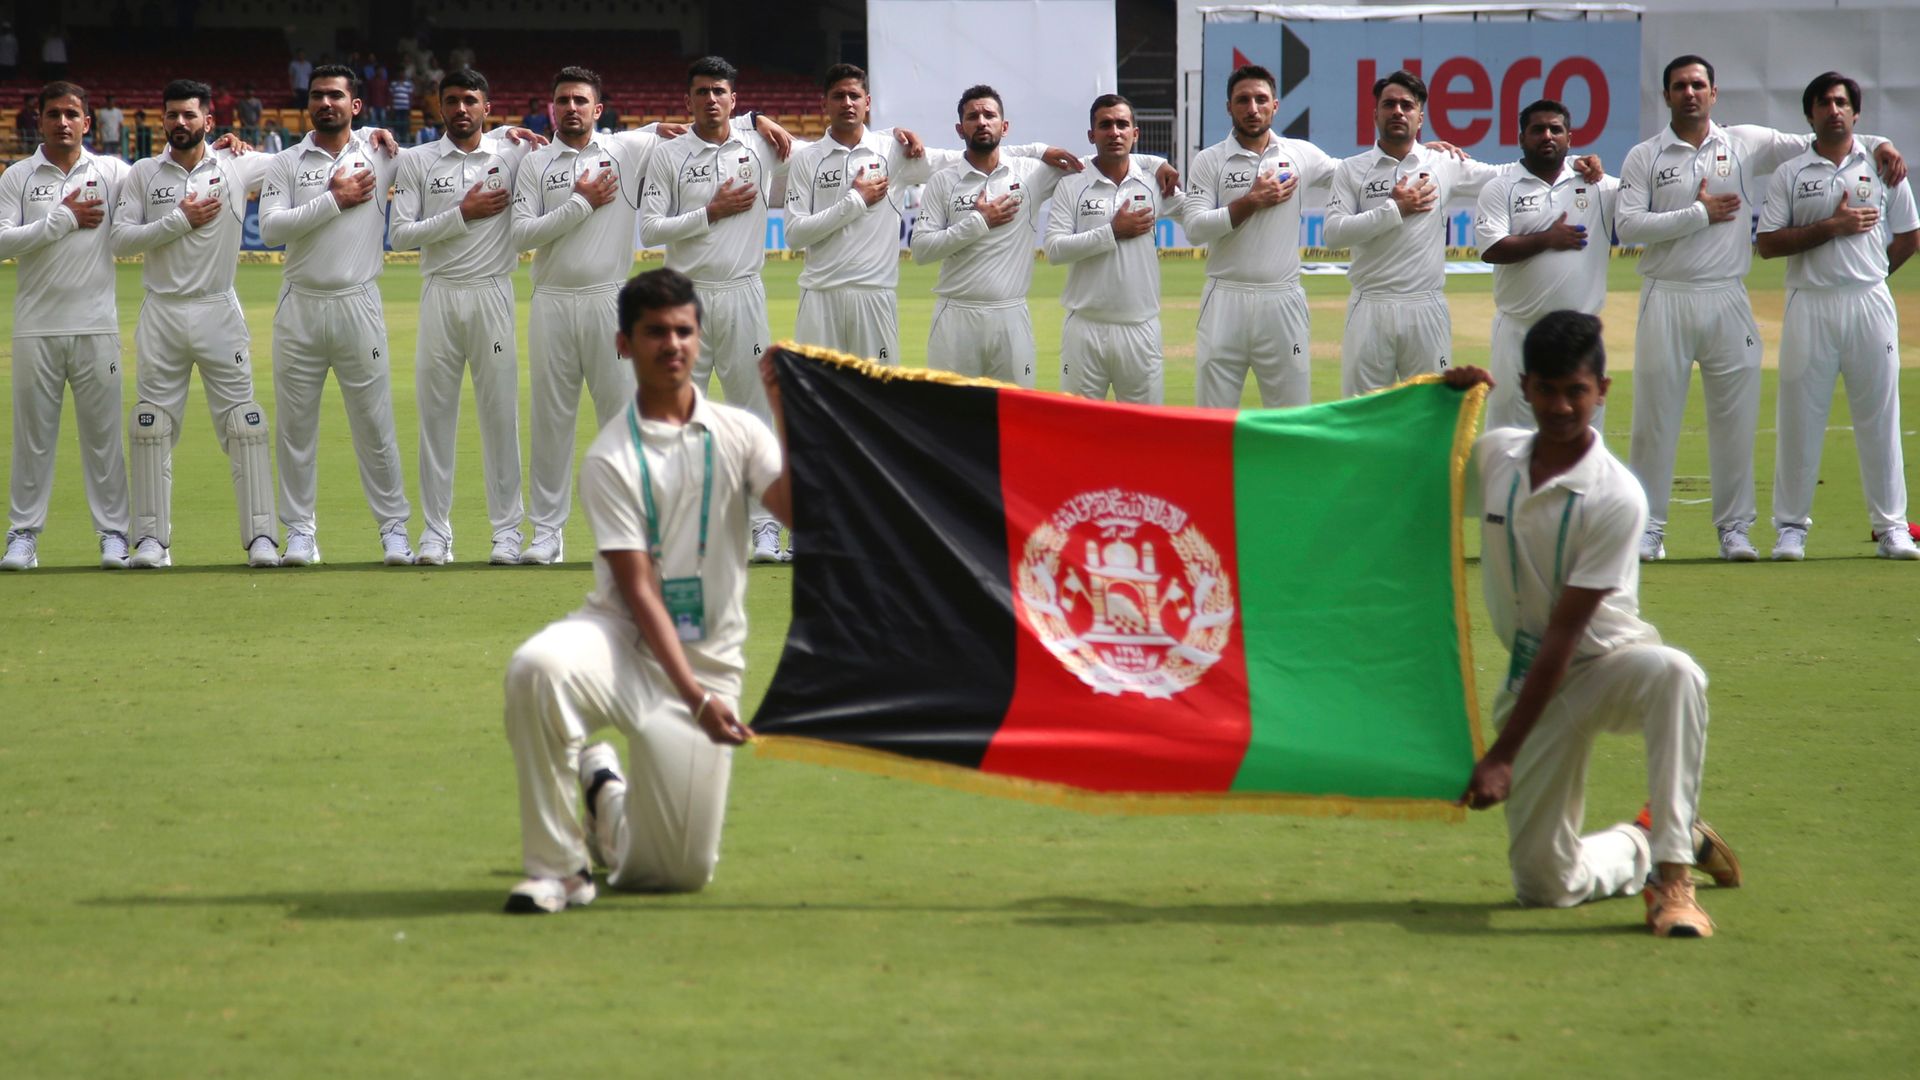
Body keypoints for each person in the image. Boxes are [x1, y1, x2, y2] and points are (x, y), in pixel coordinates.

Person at [500, 267, 791, 914]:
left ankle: (604, 793)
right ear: (624, 344)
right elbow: (637, 591)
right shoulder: (611, 458)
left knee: (674, 874)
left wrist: (781, 407)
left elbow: (803, 512)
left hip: (708, 657)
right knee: (537, 668)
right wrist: (695, 700)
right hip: (622, 644)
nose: (673, 346)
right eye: (655, 332)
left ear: (700, 336)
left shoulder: (740, 432)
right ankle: (558, 870)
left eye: (684, 331)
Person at [1446, 311, 1742, 938]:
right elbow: (1412, 468)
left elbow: (1565, 631)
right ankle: (1653, 839)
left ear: (1601, 390)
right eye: (1547, 389)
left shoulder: (1617, 496)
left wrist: (1502, 755)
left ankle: (1674, 880)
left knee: (1676, 675)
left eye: (1576, 390)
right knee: (1544, 886)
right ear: (1523, 387)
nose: (1560, 406)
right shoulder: (1497, 457)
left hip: (1606, 664)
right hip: (1533, 684)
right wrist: (1438, 403)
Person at [1616, 54, 1904, 563]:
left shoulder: (1744, 141)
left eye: (1698, 85)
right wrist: (1696, 214)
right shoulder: (1645, 155)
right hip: (1666, 293)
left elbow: (1824, 138)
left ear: (1714, 93)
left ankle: (1735, 529)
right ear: (1665, 96)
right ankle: (1649, 530)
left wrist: (1880, 143)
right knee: (1654, 421)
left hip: (1728, 294)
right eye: (1679, 86)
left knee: (1735, 420)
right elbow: (1630, 226)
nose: (1690, 93)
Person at [110, 78, 280, 569]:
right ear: (162, 120)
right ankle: (151, 542)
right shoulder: (143, 173)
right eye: (171, 115)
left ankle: (263, 538)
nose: (179, 123)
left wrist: (373, 137)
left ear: (209, 121)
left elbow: (309, 153)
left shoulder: (235, 164)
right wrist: (178, 220)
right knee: (151, 427)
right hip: (161, 310)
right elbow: (120, 241)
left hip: (217, 308)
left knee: (244, 425)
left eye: (189, 115)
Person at [640, 56, 802, 563]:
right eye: (701, 91)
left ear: (734, 98)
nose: (711, 99)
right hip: (684, 300)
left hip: (742, 292)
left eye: (720, 91)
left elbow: (828, 149)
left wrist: (759, 119)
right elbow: (649, 229)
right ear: (687, 99)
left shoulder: (760, 145)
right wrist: (710, 211)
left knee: (753, 413)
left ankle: (765, 529)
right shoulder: (669, 155)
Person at [1756, 72, 1920, 561]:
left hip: (1869, 301)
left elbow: (1910, 235)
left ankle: (1892, 528)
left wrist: (1870, 273)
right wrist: (1833, 227)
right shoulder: (1791, 172)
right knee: (1800, 417)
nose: (1833, 110)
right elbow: (1767, 244)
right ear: (1809, 114)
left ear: (1855, 113)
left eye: (1842, 102)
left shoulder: (1882, 164)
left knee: (1880, 415)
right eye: (1824, 103)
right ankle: (1790, 528)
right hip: (1810, 301)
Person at [258, 64, 414, 566]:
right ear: (309, 105)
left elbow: (447, 152)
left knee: (375, 424)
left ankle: (394, 530)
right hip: (299, 304)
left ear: (356, 106)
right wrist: (334, 199)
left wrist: (504, 133)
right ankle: (300, 533)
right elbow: (272, 230)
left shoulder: (380, 153)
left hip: (357, 302)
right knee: (296, 428)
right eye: (317, 95)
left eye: (335, 96)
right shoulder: (286, 162)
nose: (325, 103)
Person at [388, 68, 534, 566]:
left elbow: (586, 136)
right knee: (436, 419)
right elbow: (401, 235)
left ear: (487, 108)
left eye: (470, 100)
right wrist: (462, 213)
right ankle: (435, 533)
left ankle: (508, 533)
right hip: (440, 295)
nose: (461, 109)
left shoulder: (514, 152)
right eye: (451, 101)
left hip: (493, 293)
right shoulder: (417, 161)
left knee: (500, 418)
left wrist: (752, 118)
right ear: (438, 107)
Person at [0, 82, 133, 572]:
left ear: (87, 122)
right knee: (33, 437)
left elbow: (166, 181)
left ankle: (115, 534)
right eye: (53, 113)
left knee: (104, 438)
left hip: (97, 326)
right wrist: (61, 219)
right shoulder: (17, 176)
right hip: (36, 327)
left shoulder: (113, 172)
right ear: (39, 121)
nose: (62, 122)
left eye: (71, 114)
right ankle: (23, 535)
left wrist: (226, 146)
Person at [1326, 70, 1514, 398]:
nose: (1398, 111)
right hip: (1370, 304)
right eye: (1389, 105)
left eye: (1407, 105)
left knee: (1429, 407)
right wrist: (1394, 209)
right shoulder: (1352, 169)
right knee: (1364, 414)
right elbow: (1334, 234)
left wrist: (1573, 163)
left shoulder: (1444, 162)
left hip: (1425, 306)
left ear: (1420, 117)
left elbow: (1503, 176)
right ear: (1375, 114)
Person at [1182, 64, 1340, 408]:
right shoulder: (1210, 161)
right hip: (1224, 298)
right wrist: (1250, 202)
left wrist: (1414, 152)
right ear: (1229, 107)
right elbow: (1194, 229)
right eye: (1243, 100)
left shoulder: (1301, 154)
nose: (1252, 108)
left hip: (1282, 299)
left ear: (1275, 105)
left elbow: (1356, 174)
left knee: (1291, 414)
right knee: (1214, 415)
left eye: (1260, 99)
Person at [910, 84, 1078, 389]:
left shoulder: (1031, 173)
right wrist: (979, 222)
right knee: (950, 418)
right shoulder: (943, 182)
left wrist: (1152, 164)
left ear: (1005, 125)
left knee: (1017, 416)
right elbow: (921, 250)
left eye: (990, 115)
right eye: (973, 117)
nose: (982, 122)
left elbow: (1097, 165)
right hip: (955, 316)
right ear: (960, 129)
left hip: (1010, 315)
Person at [1476, 99, 1620, 431]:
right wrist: (1548, 239)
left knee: (1581, 434)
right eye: (1537, 129)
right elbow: (1492, 248)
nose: (1547, 136)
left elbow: (1644, 200)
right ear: (1521, 138)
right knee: (1510, 434)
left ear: (1570, 138)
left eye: (1556, 129)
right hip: (1519, 331)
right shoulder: (1501, 188)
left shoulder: (1598, 185)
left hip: (1580, 335)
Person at [1043, 94, 1182, 404]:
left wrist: (1253, 201)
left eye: (1122, 124)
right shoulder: (1071, 185)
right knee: (1079, 430)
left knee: (1143, 432)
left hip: (1140, 328)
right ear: (1091, 135)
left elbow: (1198, 219)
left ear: (1136, 133)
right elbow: (1054, 249)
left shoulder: (1154, 182)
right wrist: (1112, 232)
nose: (1114, 132)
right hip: (1084, 329)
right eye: (1105, 125)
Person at [389, 70, 413, 144]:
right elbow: (391, 96)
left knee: (405, 123)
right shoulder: (394, 84)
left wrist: (410, 107)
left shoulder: (408, 84)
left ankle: (404, 138)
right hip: (396, 107)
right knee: (397, 123)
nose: (401, 74)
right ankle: (398, 139)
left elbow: (410, 96)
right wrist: (391, 107)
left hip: (405, 107)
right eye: (400, 73)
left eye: (402, 73)